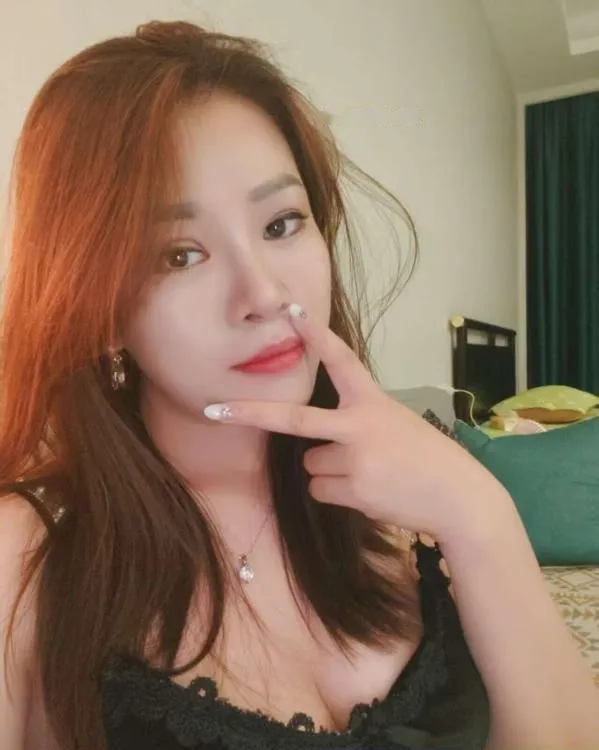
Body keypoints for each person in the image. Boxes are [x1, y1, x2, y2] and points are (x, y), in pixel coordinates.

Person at [0, 20, 596, 750]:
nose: (264, 293)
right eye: (180, 255)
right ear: (98, 310)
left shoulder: (402, 510)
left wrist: (481, 517)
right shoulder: (25, 557)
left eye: (282, 223)